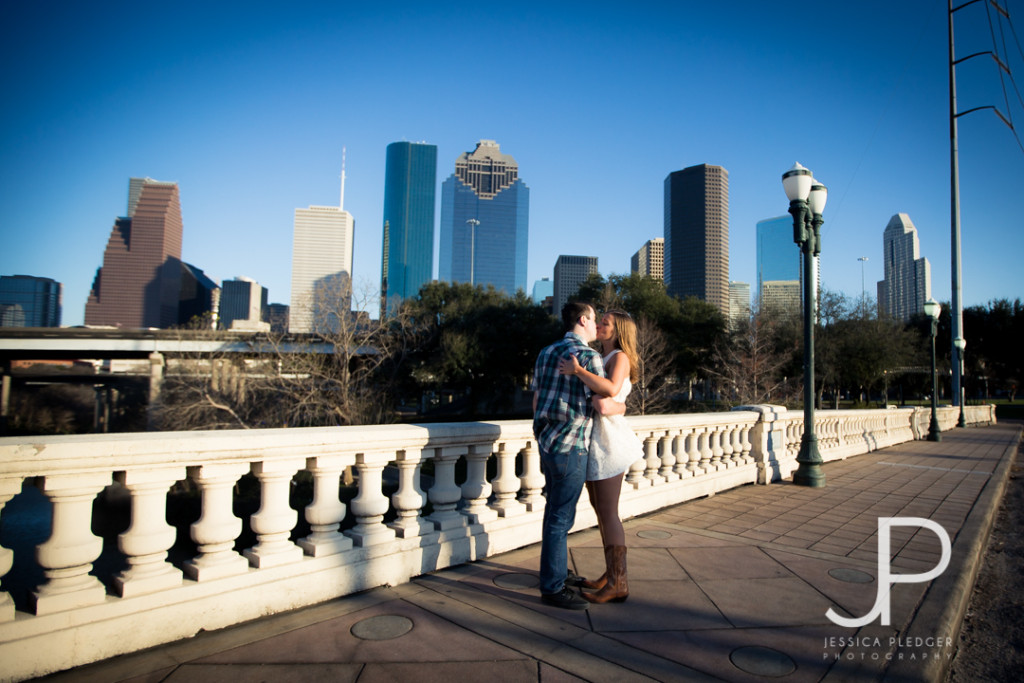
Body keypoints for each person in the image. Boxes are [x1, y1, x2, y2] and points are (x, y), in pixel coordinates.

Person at [532, 301, 626, 610]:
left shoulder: (545, 352)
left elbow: (536, 401)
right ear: (583, 320)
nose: (597, 324)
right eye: (594, 319)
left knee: (553, 512)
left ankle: (554, 573)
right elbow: (605, 398)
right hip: (572, 445)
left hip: (547, 443)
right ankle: (553, 587)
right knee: (561, 518)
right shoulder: (589, 356)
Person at [557, 309, 643, 603]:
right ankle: (611, 574)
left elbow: (610, 394)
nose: (599, 325)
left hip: (610, 442)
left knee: (608, 512)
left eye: (605, 323)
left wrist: (579, 372)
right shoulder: (601, 357)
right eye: (599, 321)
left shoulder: (619, 357)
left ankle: (619, 582)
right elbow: (613, 403)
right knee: (601, 511)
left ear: (618, 330)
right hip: (598, 441)